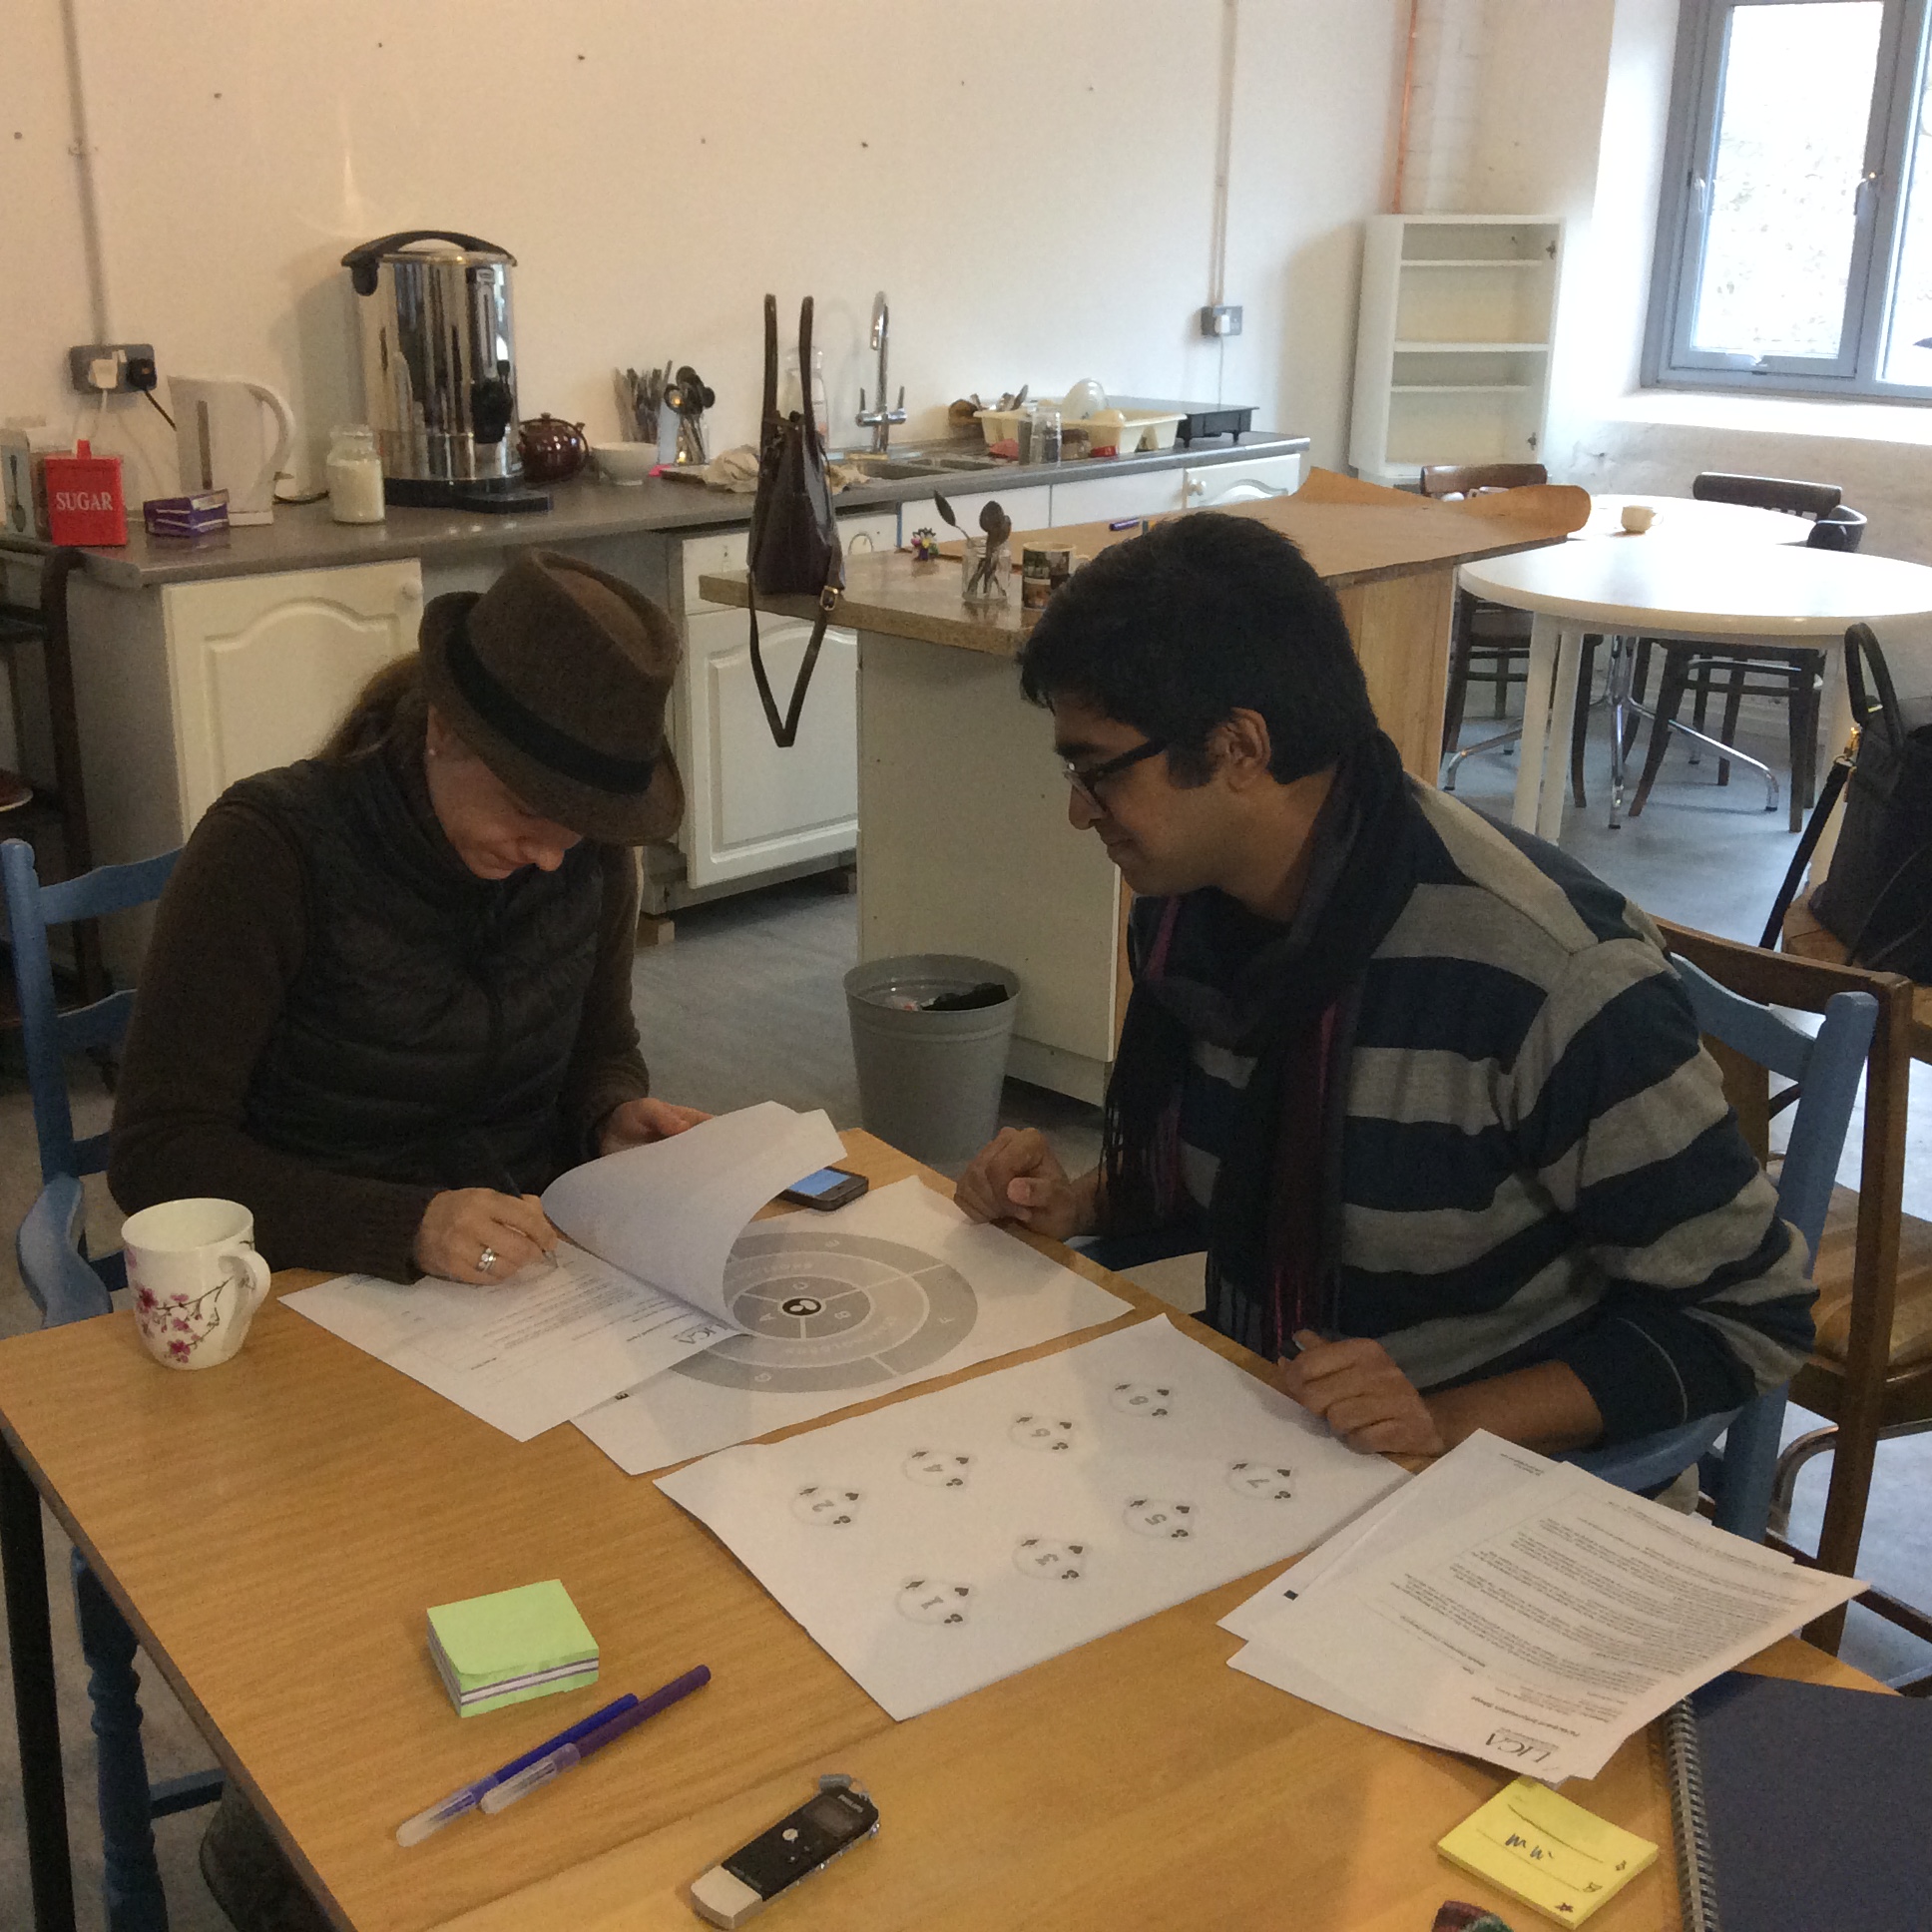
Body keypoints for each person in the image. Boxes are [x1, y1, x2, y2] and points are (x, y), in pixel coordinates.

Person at [956, 513, 1814, 1460]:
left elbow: (1752, 1314)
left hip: (1489, 1479)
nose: (1079, 812)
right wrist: (1079, 1203)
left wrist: (1443, 1422)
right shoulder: (1189, 916)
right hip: (1274, 1429)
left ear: (1238, 748)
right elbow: (1237, 1173)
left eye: (1097, 771)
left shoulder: (1544, 978)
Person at [111, 547, 707, 1287]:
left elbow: (602, 1049)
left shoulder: (592, 856)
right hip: (307, 1274)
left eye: (580, 824)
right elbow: (156, 1154)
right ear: (444, 730)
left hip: (524, 1265)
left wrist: (608, 1115)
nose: (553, 856)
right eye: (529, 807)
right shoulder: (268, 851)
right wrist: (408, 1225)